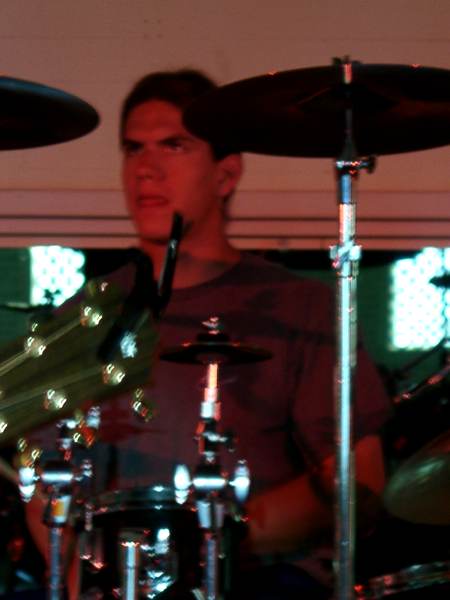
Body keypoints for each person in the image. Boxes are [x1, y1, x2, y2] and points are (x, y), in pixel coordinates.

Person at [26, 68, 389, 599]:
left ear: (226, 174)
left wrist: (205, 548)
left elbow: (361, 479)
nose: (146, 168)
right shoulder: (81, 319)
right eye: (133, 149)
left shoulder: (299, 308)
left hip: (260, 580)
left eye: (174, 146)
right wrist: (82, 583)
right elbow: (43, 486)